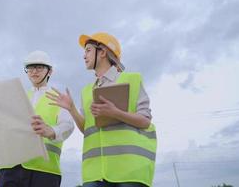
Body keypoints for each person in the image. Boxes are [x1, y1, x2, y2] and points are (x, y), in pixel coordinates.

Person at [47, 32, 157, 187]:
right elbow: (87, 129)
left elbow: (145, 121)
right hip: (95, 174)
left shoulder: (131, 80)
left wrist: (115, 113)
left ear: (103, 52)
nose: (84, 56)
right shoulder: (87, 91)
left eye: (88, 50)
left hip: (129, 171)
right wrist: (72, 109)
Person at [0, 50, 74, 187]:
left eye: (39, 67)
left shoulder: (58, 98)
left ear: (50, 71)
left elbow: (68, 126)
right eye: (30, 67)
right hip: (9, 169)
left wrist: (51, 131)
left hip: (43, 171)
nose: (34, 71)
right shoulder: (15, 96)